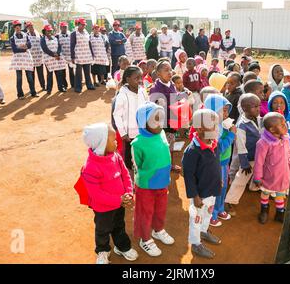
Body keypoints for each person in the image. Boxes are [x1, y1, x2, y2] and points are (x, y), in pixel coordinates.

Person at [77, 123, 138, 264]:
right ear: (102, 143)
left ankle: (122, 246)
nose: (117, 141)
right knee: (102, 230)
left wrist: (129, 192)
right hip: (103, 208)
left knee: (119, 226)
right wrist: (120, 200)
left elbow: (125, 174)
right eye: (113, 139)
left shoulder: (115, 156)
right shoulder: (90, 168)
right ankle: (103, 250)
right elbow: (96, 194)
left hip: (119, 203)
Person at [132, 102, 175, 257]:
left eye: (160, 118)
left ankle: (158, 230)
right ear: (144, 123)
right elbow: (138, 165)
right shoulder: (137, 143)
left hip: (162, 183)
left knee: (160, 209)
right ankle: (145, 238)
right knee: (145, 212)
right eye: (154, 119)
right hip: (146, 186)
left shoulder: (162, 133)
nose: (159, 123)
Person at [182, 109, 223, 259]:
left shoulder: (214, 144)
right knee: (196, 218)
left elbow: (216, 164)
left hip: (212, 188)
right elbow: (188, 176)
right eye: (213, 126)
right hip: (200, 193)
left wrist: (219, 178)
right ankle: (195, 243)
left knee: (208, 213)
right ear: (199, 129)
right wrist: (195, 196)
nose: (216, 129)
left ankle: (204, 231)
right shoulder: (192, 151)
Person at [225, 93, 262, 216]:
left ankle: (253, 187)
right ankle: (230, 201)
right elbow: (241, 146)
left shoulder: (258, 118)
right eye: (254, 106)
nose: (258, 109)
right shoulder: (241, 125)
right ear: (245, 108)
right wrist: (245, 163)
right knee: (241, 179)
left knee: (259, 173)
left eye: (258, 106)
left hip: (259, 155)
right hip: (249, 157)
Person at [203, 94, 236, 227]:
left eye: (227, 110)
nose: (227, 113)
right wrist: (231, 134)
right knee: (215, 189)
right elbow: (220, 148)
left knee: (222, 188)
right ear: (213, 111)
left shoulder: (221, 125)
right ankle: (212, 214)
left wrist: (228, 130)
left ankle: (220, 208)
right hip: (215, 164)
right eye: (223, 110)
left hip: (224, 163)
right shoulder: (210, 129)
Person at [253, 112, 290, 224]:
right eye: (282, 125)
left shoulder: (286, 138)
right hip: (269, 176)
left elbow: (289, 156)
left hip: (283, 174)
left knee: (280, 194)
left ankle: (280, 213)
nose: (286, 126)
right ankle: (264, 210)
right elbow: (259, 162)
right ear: (272, 130)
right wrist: (257, 177)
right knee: (265, 193)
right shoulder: (263, 143)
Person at [113, 66, 149, 171]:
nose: (140, 80)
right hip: (130, 134)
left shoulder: (143, 91)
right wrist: (123, 133)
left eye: (140, 77)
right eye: (136, 78)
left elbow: (147, 106)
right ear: (128, 79)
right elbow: (117, 115)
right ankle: (131, 179)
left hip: (143, 131)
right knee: (130, 157)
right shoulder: (122, 95)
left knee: (143, 153)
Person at [149, 60, 181, 172]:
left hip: (172, 120)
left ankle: (170, 164)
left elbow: (174, 97)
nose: (170, 72)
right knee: (162, 145)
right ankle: (161, 167)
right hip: (162, 124)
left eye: (170, 69)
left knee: (171, 144)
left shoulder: (171, 84)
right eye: (166, 70)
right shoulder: (155, 89)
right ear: (158, 74)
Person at [9, 20, 38, 99]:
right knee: (19, 78)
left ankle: (33, 92)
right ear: (14, 28)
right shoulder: (12, 38)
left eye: (18, 27)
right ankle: (20, 94)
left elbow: (29, 45)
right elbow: (15, 50)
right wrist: (24, 48)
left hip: (26, 59)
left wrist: (21, 47)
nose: (17, 28)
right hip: (18, 61)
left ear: (20, 27)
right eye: (16, 27)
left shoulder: (26, 35)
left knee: (30, 77)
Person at [40, 25, 67, 94]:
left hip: (57, 58)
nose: (49, 32)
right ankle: (49, 89)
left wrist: (57, 54)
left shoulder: (55, 38)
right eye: (48, 30)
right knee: (49, 74)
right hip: (48, 59)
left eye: (50, 30)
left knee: (59, 73)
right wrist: (53, 54)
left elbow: (59, 46)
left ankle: (60, 87)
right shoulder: (43, 39)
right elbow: (45, 49)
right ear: (45, 31)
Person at [70, 18, 95, 93]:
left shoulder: (86, 33)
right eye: (82, 24)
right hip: (79, 56)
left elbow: (89, 44)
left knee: (87, 72)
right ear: (78, 24)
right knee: (78, 74)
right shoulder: (74, 33)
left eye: (84, 25)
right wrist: (72, 57)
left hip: (87, 56)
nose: (84, 26)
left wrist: (92, 54)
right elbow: (72, 45)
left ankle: (89, 85)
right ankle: (78, 87)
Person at [26, 21, 45, 91]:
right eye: (29, 27)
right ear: (27, 28)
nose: (30, 27)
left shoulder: (38, 34)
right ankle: (32, 88)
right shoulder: (26, 35)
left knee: (40, 73)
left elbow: (43, 43)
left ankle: (43, 86)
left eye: (31, 26)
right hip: (31, 58)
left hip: (39, 57)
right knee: (32, 74)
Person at [55, 21, 73, 90]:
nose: (65, 29)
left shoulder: (70, 34)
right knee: (63, 71)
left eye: (66, 27)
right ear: (60, 28)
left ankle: (73, 84)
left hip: (70, 56)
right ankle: (64, 85)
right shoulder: (57, 36)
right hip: (62, 56)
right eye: (63, 27)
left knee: (71, 71)